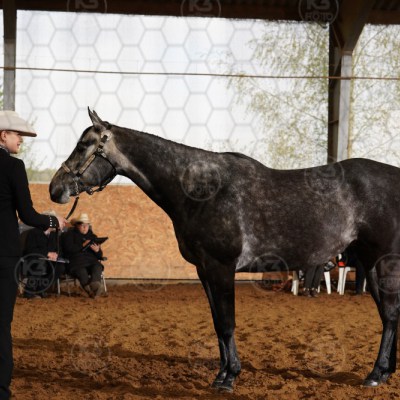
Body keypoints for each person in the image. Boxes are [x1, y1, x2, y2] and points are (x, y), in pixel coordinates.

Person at [0, 110, 66, 400]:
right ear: (3, 135)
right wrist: (53, 220)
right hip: (4, 256)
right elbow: (27, 214)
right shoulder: (14, 166)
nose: (21, 141)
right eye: (18, 135)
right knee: (1, 324)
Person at [22, 211, 66, 298]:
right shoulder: (33, 233)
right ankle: (29, 292)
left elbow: (59, 250)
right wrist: (47, 253)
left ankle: (41, 289)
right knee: (40, 264)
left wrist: (56, 255)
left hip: (48, 261)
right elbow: (30, 250)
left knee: (60, 267)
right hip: (33, 259)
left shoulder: (54, 235)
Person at [61, 213, 104, 298]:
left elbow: (100, 255)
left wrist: (97, 250)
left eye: (87, 225)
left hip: (91, 261)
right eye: (82, 225)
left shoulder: (93, 236)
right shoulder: (69, 235)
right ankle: (91, 291)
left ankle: (94, 287)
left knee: (97, 266)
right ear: (77, 225)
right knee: (81, 271)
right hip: (76, 262)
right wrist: (82, 245)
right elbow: (68, 249)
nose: (85, 227)